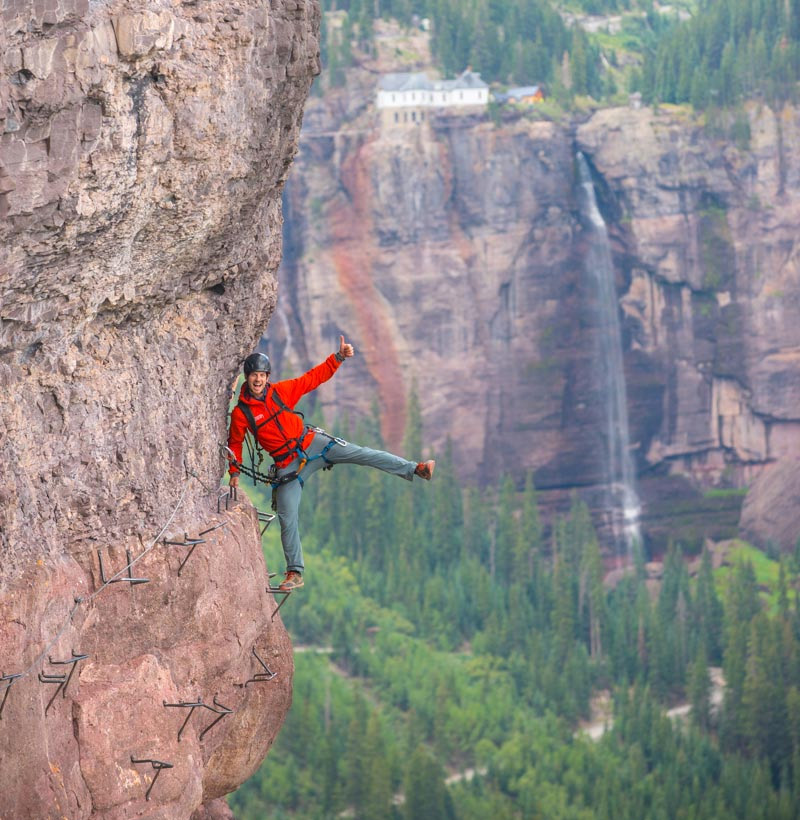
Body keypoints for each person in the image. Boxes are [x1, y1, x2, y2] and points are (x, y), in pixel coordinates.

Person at [227, 336, 435, 591]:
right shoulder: (242, 413)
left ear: (268, 376)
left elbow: (312, 378)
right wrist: (234, 472)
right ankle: (295, 572)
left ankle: (416, 468)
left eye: (262, 375)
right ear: (247, 378)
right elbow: (234, 443)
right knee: (287, 514)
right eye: (254, 375)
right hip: (287, 467)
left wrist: (337, 358)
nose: (258, 380)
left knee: (362, 454)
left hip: (313, 444)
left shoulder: (281, 392)